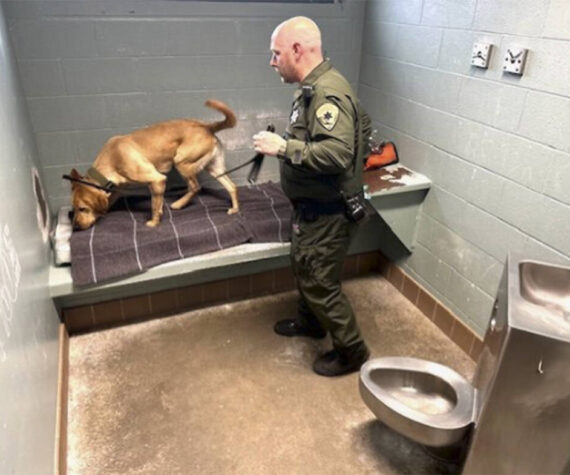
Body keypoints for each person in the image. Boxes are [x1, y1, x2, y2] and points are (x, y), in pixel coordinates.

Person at [253, 16, 371, 377]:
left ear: (297, 50)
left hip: (328, 211)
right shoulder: (313, 87)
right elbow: (362, 129)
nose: (272, 62)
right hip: (312, 207)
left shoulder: (326, 93)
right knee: (305, 267)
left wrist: (284, 148)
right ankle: (311, 322)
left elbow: (336, 154)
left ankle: (353, 351)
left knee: (320, 281)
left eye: (276, 54)